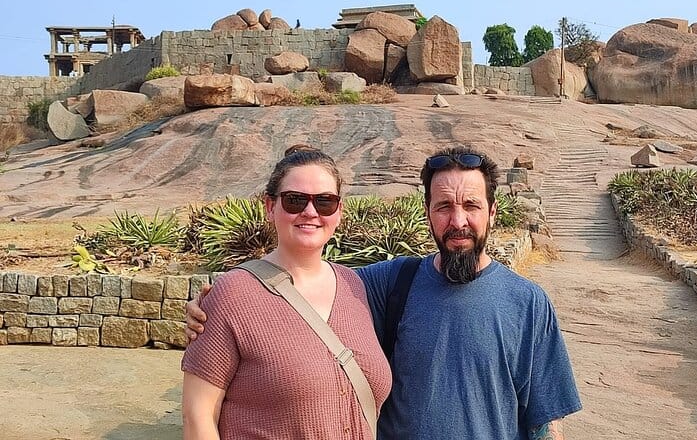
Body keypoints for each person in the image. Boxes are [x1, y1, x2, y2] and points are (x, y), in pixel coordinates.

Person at [186, 145, 582, 439]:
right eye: (444, 206)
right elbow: (299, 287)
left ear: (492, 213)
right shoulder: (385, 283)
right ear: (427, 213)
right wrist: (214, 303)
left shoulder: (528, 303)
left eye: (471, 206)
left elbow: (546, 419)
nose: (458, 220)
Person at [181, 145, 391, 439]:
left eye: (325, 202)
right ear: (270, 207)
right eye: (295, 200)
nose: (310, 212)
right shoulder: (234, 294)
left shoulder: (354, 286)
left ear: (339, 211)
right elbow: (198, 415)